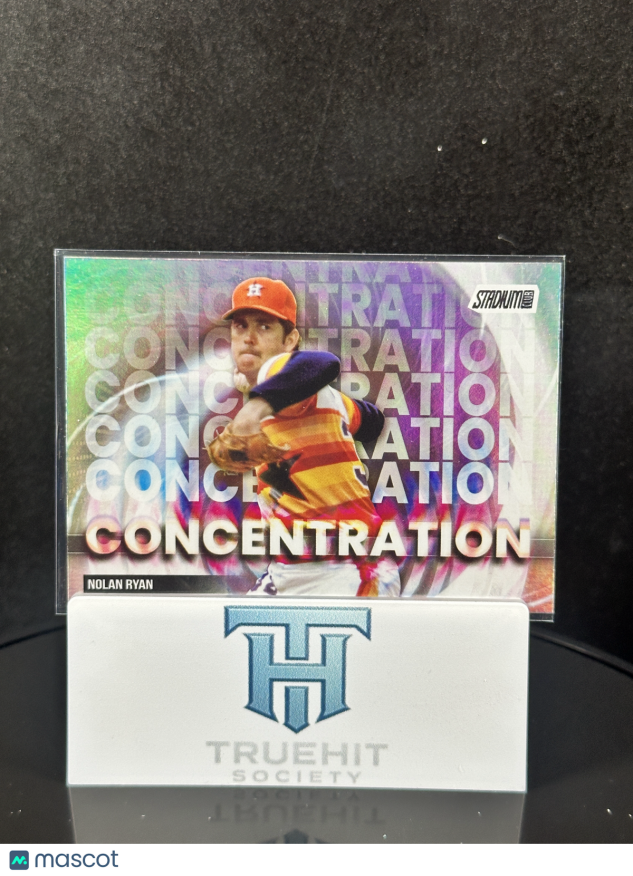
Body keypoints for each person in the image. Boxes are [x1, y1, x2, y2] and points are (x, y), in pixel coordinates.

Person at [208, 276, 401, 597]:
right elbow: (372, 421)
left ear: (290, 340)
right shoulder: (318, 396)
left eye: (265, 327)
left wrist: (253, 410)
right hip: (297, 567)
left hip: (348, 568)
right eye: (240, 326)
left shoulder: (281, 374)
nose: (249, 338)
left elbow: (323, 362)